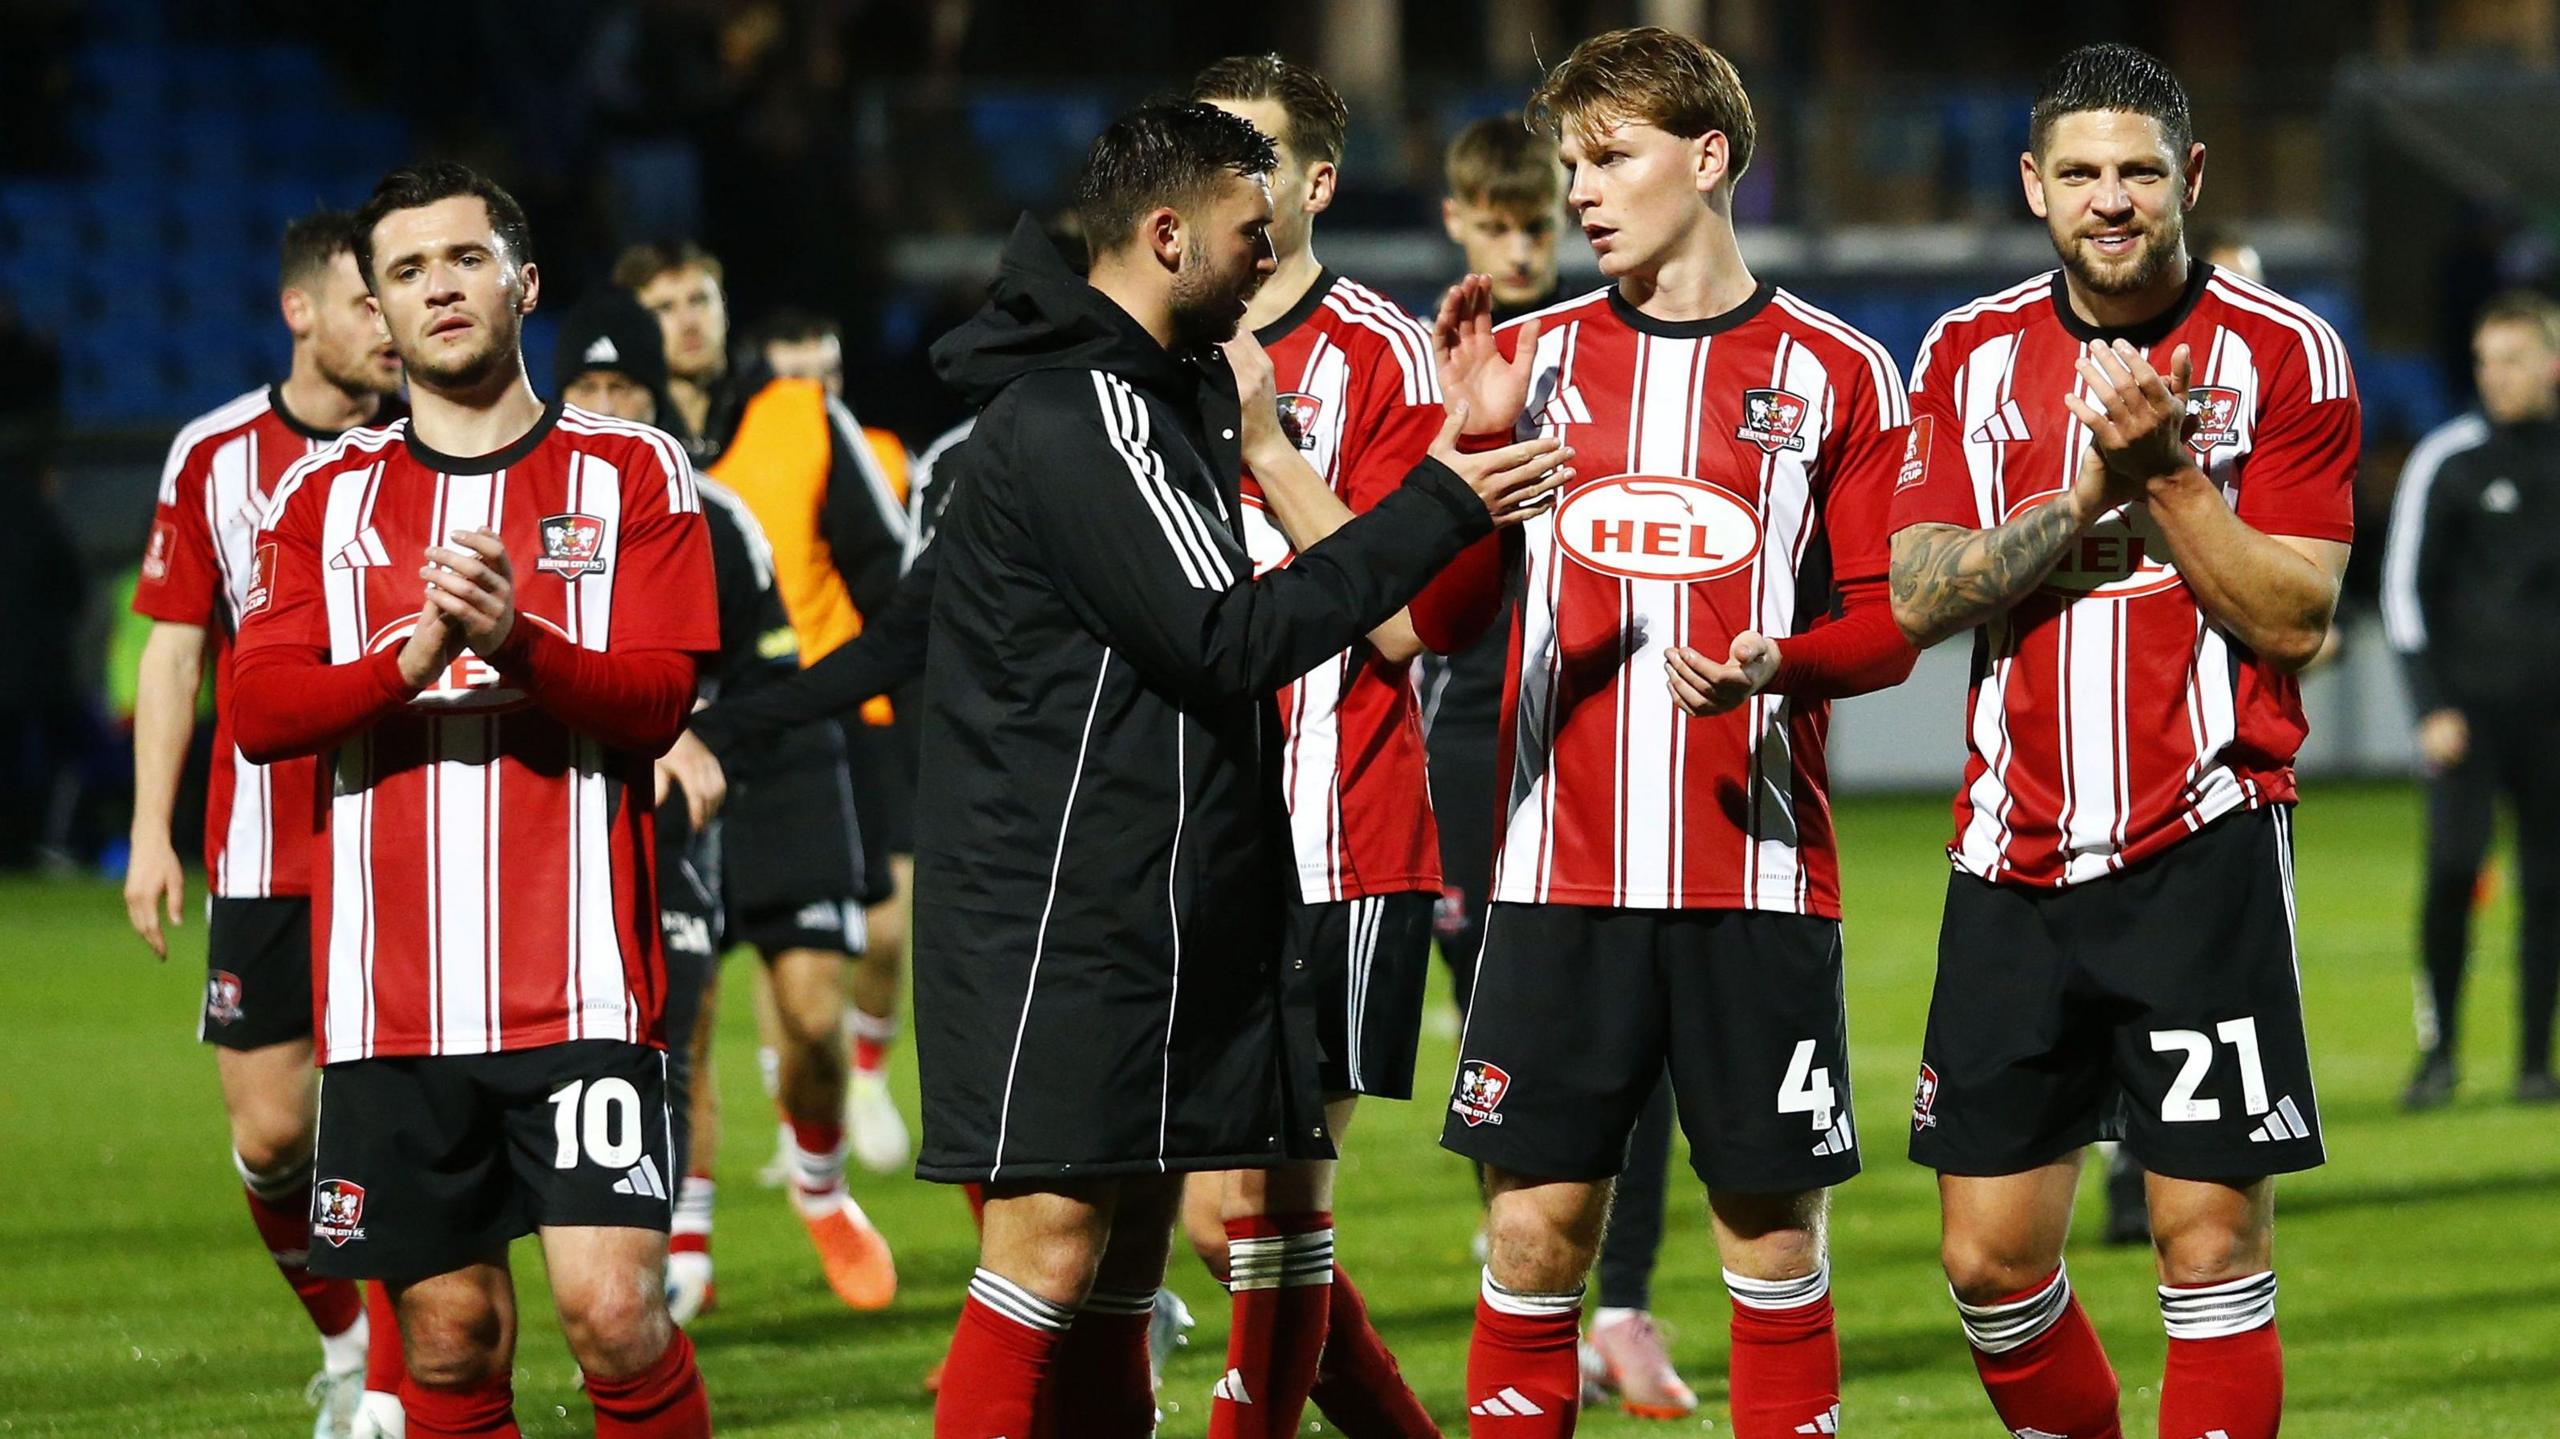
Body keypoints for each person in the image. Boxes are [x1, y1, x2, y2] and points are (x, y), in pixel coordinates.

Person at [919, 102, 1568, 1439]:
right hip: (1071, 907)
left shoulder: (1145, 394)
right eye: (1245, 236)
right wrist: (1447, 497)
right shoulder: (1091, 408)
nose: (1265, 262)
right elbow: (1226, 638)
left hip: (1149, 895)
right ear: (1167, 236)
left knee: (1120, 1268)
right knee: (1047, 1251)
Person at [1414, 28, 1919, 1437]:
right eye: (1571, 161)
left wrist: (1781, 658)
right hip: (1556, 874)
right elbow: (1449, 619)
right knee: (1534, 1234)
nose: (1580, 190)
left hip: (1752, 877)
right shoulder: (1526, 359)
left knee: (1767, 1234)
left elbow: (1887, 626)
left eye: (1611, 156)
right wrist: (1473, 464)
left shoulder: (1841, 374)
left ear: (1708, 159)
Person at [1886, 45, 2356, 1439]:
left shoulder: (2287, 351)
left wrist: (2170, 482)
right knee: (1990, 1262)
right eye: (2081, 173)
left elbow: (2299, 613)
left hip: (2201, 840)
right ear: (2034, 184)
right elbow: (1918, 592)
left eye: (2139, 171)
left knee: (2207, 1249)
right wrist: (2080, 490)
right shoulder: (1968, 352)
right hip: (2010, 849)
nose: (2111, 199)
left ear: (2190, 179)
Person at [231, 161, 716, 1437]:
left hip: (585, 981)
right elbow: (260, 711)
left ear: (524, 282)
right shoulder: (318, 496)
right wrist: (404, 660)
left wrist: (519, 644)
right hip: (389, 1001)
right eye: (405, 270)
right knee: (446, 1343)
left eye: (462, 258)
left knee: (617, 1313)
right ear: (376, 319)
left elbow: (660, 695)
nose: (437, 287)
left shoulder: (636, 473)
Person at [1177, 53, 1453, 1438]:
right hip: (1178, 830)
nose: (1228, 176)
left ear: (1318, 182)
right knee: (1200, 1209)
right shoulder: (1142, 348)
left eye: (1258, 153)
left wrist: (1268, 446)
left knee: (1270, 1205)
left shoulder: (1387, 353)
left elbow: (1408, 627)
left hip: (1338, 824)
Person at [123, 209, 408, 1439]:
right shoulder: (213, 454)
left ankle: (400, 1388)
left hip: (402, 837)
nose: (391, 326)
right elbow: (174, 651)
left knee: (390, 1122)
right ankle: (346, 1338)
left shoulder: (436, 441)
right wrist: (149, 832)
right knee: (275, 1132)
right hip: (259, 845)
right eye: (366, 302)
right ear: (300, 311)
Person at [1434, 109, 1697, 1417]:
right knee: (1512, 1063)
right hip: (1466, 749)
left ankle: (1624, 1305)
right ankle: (1530, 1287)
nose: (1524, 246)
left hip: (1608, 746)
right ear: (1456, 226)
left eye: (1540, 221)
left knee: (1630, 1051)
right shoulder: (1442, 368)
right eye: (1497, 226)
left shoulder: (1620, 357)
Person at [617, 241, 908, 1310]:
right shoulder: (603, 440)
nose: (686, 319)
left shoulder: (795, 412)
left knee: (812, 1009)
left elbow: (888, 573)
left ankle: (823, 1187)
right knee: (679, 1014)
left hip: (794, 742)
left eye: (701, 296)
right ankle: (687, 1244)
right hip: (658, 753)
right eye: (662, 305)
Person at [547, 287, 840, 1335]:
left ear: (657, 393)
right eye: (588, 383)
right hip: (546, 826)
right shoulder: (532, 509)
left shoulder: (710, 518)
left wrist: (701, 731)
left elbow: (771, 671)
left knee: (671, 1033)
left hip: (680, 823)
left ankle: (664, 1258)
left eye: (623, 382)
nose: (608, 401)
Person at [2382, 290, 2560, 1110]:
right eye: (2486, 360)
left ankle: (2533, 1063)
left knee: (2549, 885)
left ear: (2552, 364)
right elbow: (2404, 592)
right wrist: (2430, 705)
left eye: (2514, 358)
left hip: (2552, 719)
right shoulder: (2448, 459)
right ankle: (2439, 1052)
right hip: (2468, 716)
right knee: (2454, 869)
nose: (2497, 376)